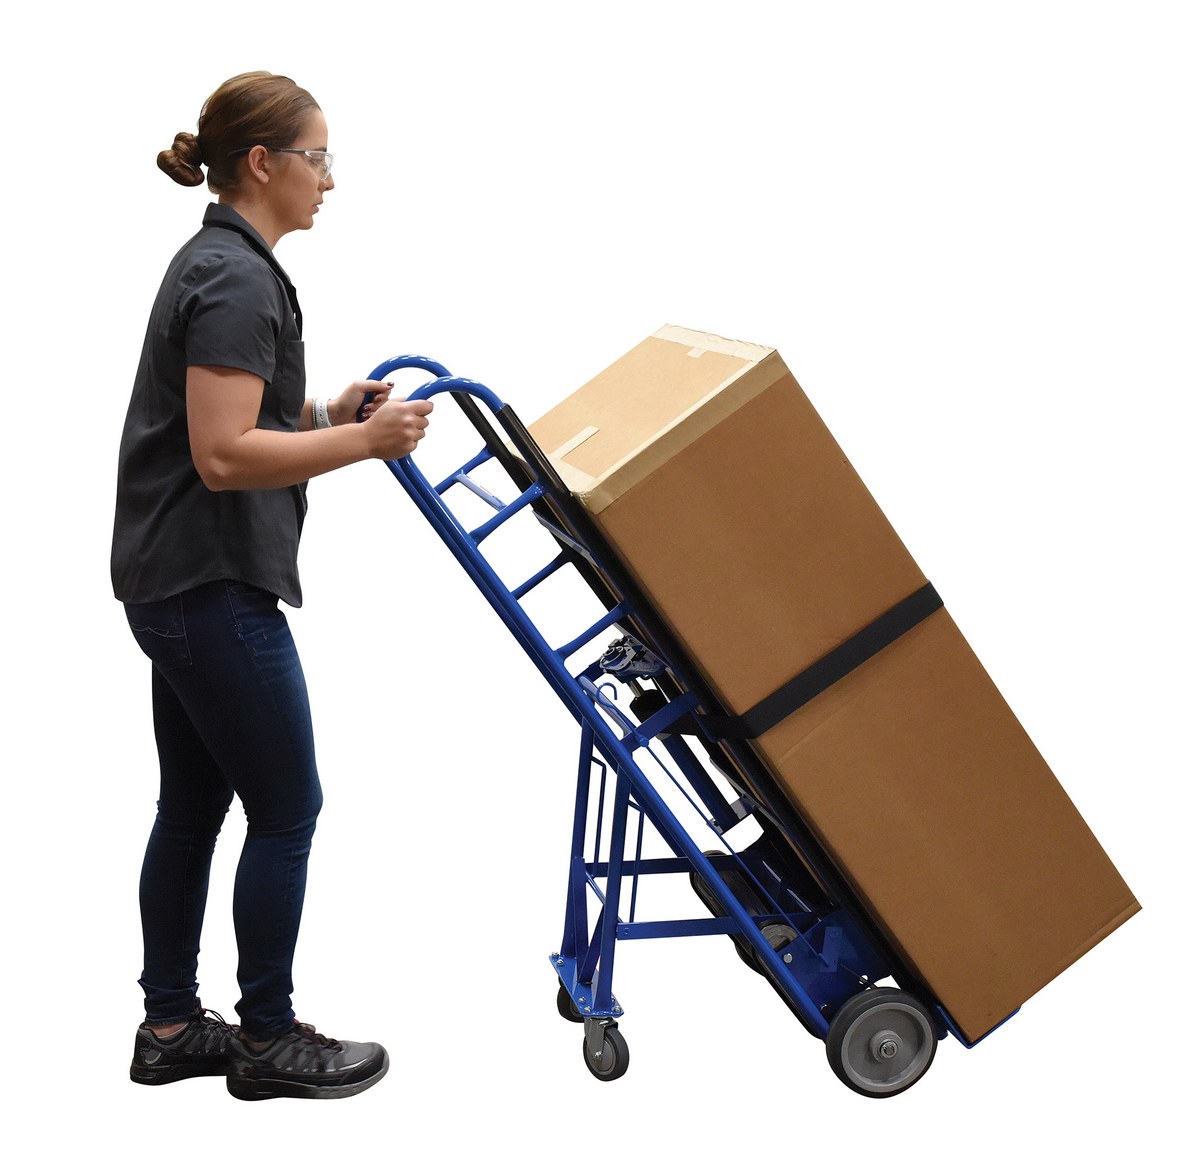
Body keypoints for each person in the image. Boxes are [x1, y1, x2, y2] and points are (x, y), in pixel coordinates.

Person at [111, 71, 432, 1101]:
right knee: (288, 808)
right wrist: (365, 443)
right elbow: (221, 454)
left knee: (193, 806)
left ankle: (170, 1026)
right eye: (318, 157)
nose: (329, 179)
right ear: (262, 163)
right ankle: (265, 1037)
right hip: (209, 585)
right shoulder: (236, 277)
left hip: (174, 581)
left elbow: (240, 417)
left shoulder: (226, 264)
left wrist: (327, 412)